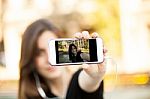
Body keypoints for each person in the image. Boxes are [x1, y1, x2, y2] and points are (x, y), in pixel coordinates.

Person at [18, 19, 106, 99]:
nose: (49, 59)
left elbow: (87, 82)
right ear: (30, 59)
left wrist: (94, 77)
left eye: (52, 49)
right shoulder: (33, 95)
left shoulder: (80, 78)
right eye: (39, 53)